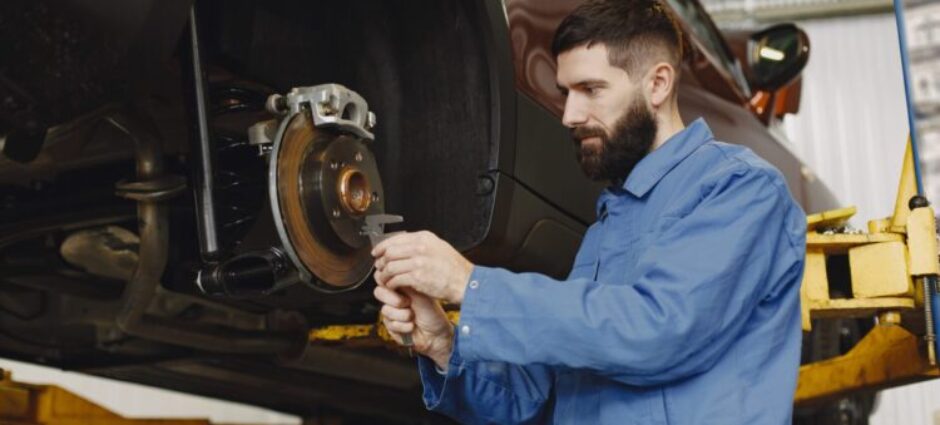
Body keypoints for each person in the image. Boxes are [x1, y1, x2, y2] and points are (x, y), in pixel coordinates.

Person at [371, 0, 806, 423]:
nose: (570, 115)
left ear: (657, 84)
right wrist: (443, 345)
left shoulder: (738, 188)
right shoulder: (609, 224)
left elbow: (658, 331)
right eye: (565, 92)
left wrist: (468, 284)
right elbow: (532, 402)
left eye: (590, 90)